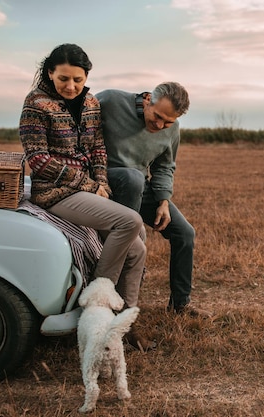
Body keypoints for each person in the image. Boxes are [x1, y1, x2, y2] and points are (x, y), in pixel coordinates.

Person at [19, 43, 153, 350]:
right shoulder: (36, 103)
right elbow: (37, 159)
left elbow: (97, 150)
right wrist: (87, 184)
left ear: (86, 76)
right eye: (63, 78)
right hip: (55, 192)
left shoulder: (91, 102)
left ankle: (126, 325)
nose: (71, 86)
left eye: (77, 79)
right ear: (50, 73)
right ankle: (97, 304)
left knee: (137, 251)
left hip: (89, 189)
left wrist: (102, 181)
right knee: (129, 220)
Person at [96, 82, 209, 317]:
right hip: (103, 180)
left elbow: (165, 166)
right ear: (148, 99)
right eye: (157, 116)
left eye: (168, 122)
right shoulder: (109, 100)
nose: (160, 125)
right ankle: (116, 295)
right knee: (133, 178)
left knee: (185, 233)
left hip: (138, 185)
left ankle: (180, 304)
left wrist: (163, 201)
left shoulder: (172, 128)